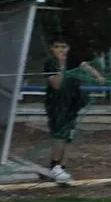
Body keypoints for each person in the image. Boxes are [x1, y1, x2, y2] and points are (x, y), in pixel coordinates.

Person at [43, 38, 104, 185]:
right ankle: (55, 165)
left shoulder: (73, 59)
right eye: (57, 47)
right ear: (52, 48)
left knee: (69, 135)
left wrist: (97, 76)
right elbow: (56, 84)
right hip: (57, 103)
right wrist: (62, 65)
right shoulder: (51, 62)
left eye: (64, 47)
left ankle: (62, 167)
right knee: (59, 134)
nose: (61, 50)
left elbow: (83, 65)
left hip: (72, 101)